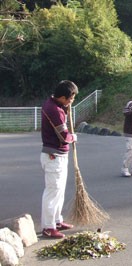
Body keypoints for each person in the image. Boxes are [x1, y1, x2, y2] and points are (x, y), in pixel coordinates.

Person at [40, 80, 78, 238]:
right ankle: (48, 227)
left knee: (59, 191)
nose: (72, 101)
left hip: (59, 155)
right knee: (53, 191)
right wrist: (73, 137)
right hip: (53, 155)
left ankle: (56, 221)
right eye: (71, 98)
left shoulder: (57, 106)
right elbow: (63, 136)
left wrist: (66, 108)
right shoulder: (54, 110)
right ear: (62, 97)